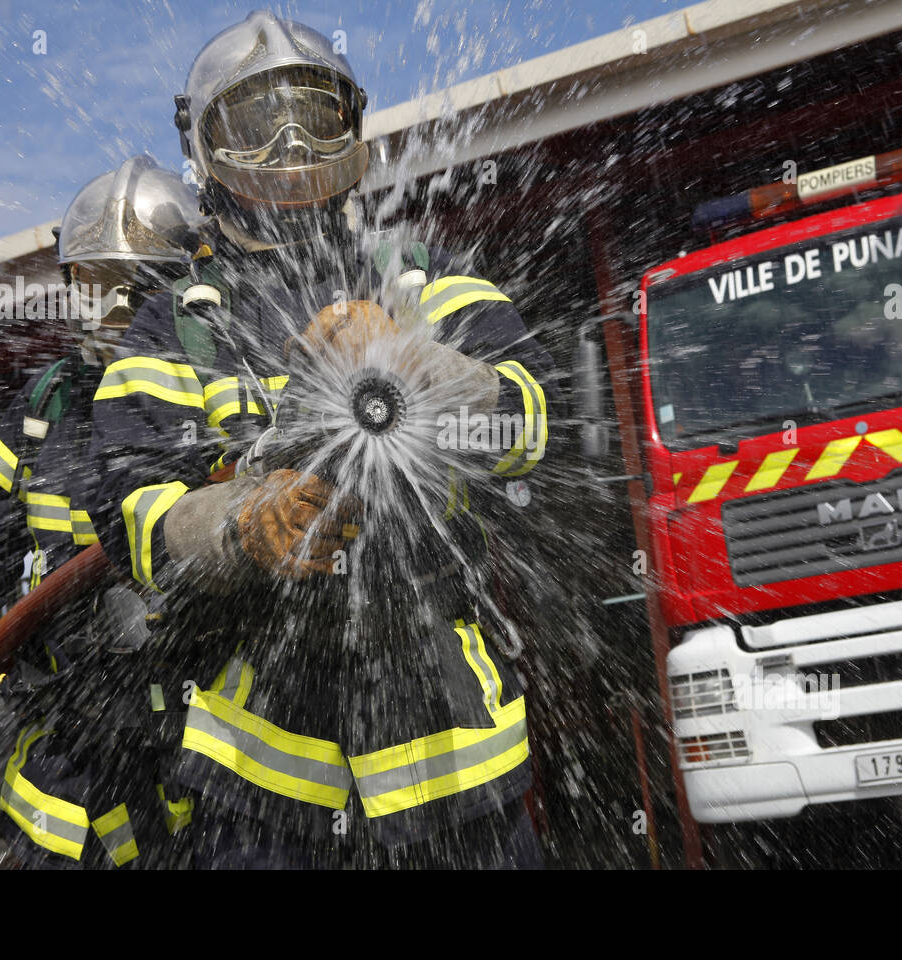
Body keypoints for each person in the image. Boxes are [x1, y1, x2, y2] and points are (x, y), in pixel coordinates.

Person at [88, 12, 559, 868]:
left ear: (353, 128)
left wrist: (420, 364)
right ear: (207, 152)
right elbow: (132, 522)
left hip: (453, 765)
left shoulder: (421, 278)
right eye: (259, 127)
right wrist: (240, 525)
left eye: (313, 116)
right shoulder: (173, 329)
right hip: (264, 785)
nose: (292, 146)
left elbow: (530, 424)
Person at [0, 155, 204, 869]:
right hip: (48, 762)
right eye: (98, 285)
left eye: (143, 286)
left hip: (188, 767)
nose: (119, 310)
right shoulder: (37, 417)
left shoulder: (216, 394)